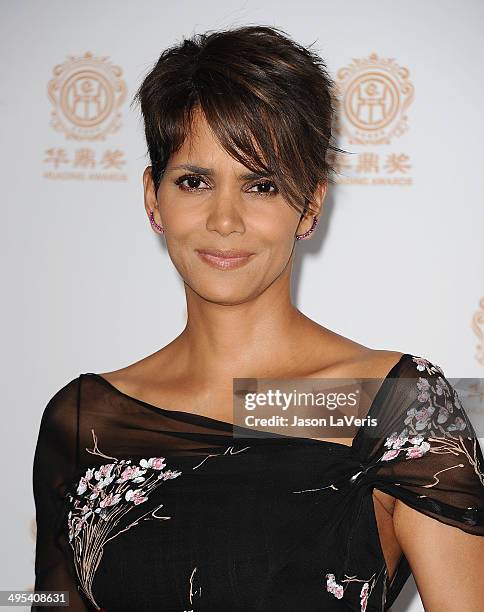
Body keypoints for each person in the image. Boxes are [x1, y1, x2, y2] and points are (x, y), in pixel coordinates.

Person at [32, 24, 484, 611]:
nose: (225, 219)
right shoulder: (82, 420)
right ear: (153, 197)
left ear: (310, 206)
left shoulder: (388, 404)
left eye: (262, 185)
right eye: (194, 181)